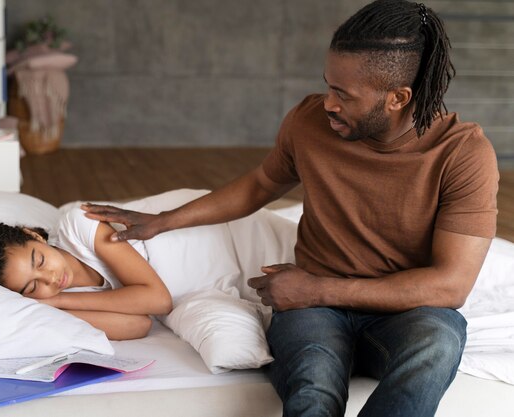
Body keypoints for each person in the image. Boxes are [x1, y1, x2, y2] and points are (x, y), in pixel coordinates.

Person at [81, 1, 499, 416]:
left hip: (402, 313)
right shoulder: (309, 121)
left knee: (438, 342)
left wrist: (315, 288)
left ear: (397, 98)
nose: (329, 103)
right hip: (315, 315)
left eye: (344, 94)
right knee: (314, 385)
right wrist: (163, 221)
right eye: (328, 85)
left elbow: (450, 286)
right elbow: (261, 185)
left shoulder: (463, 154)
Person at [0, 190, 297, 341]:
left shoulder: (79, 223)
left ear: (33, 234)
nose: (50, 279)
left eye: (40, 260)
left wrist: (58, 300)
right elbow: (137, 326)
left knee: (321, 259)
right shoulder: (61, 298)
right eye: (33, 286)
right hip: (227, 275)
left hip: (228, 237)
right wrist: (54, 306)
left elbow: (157, 301)